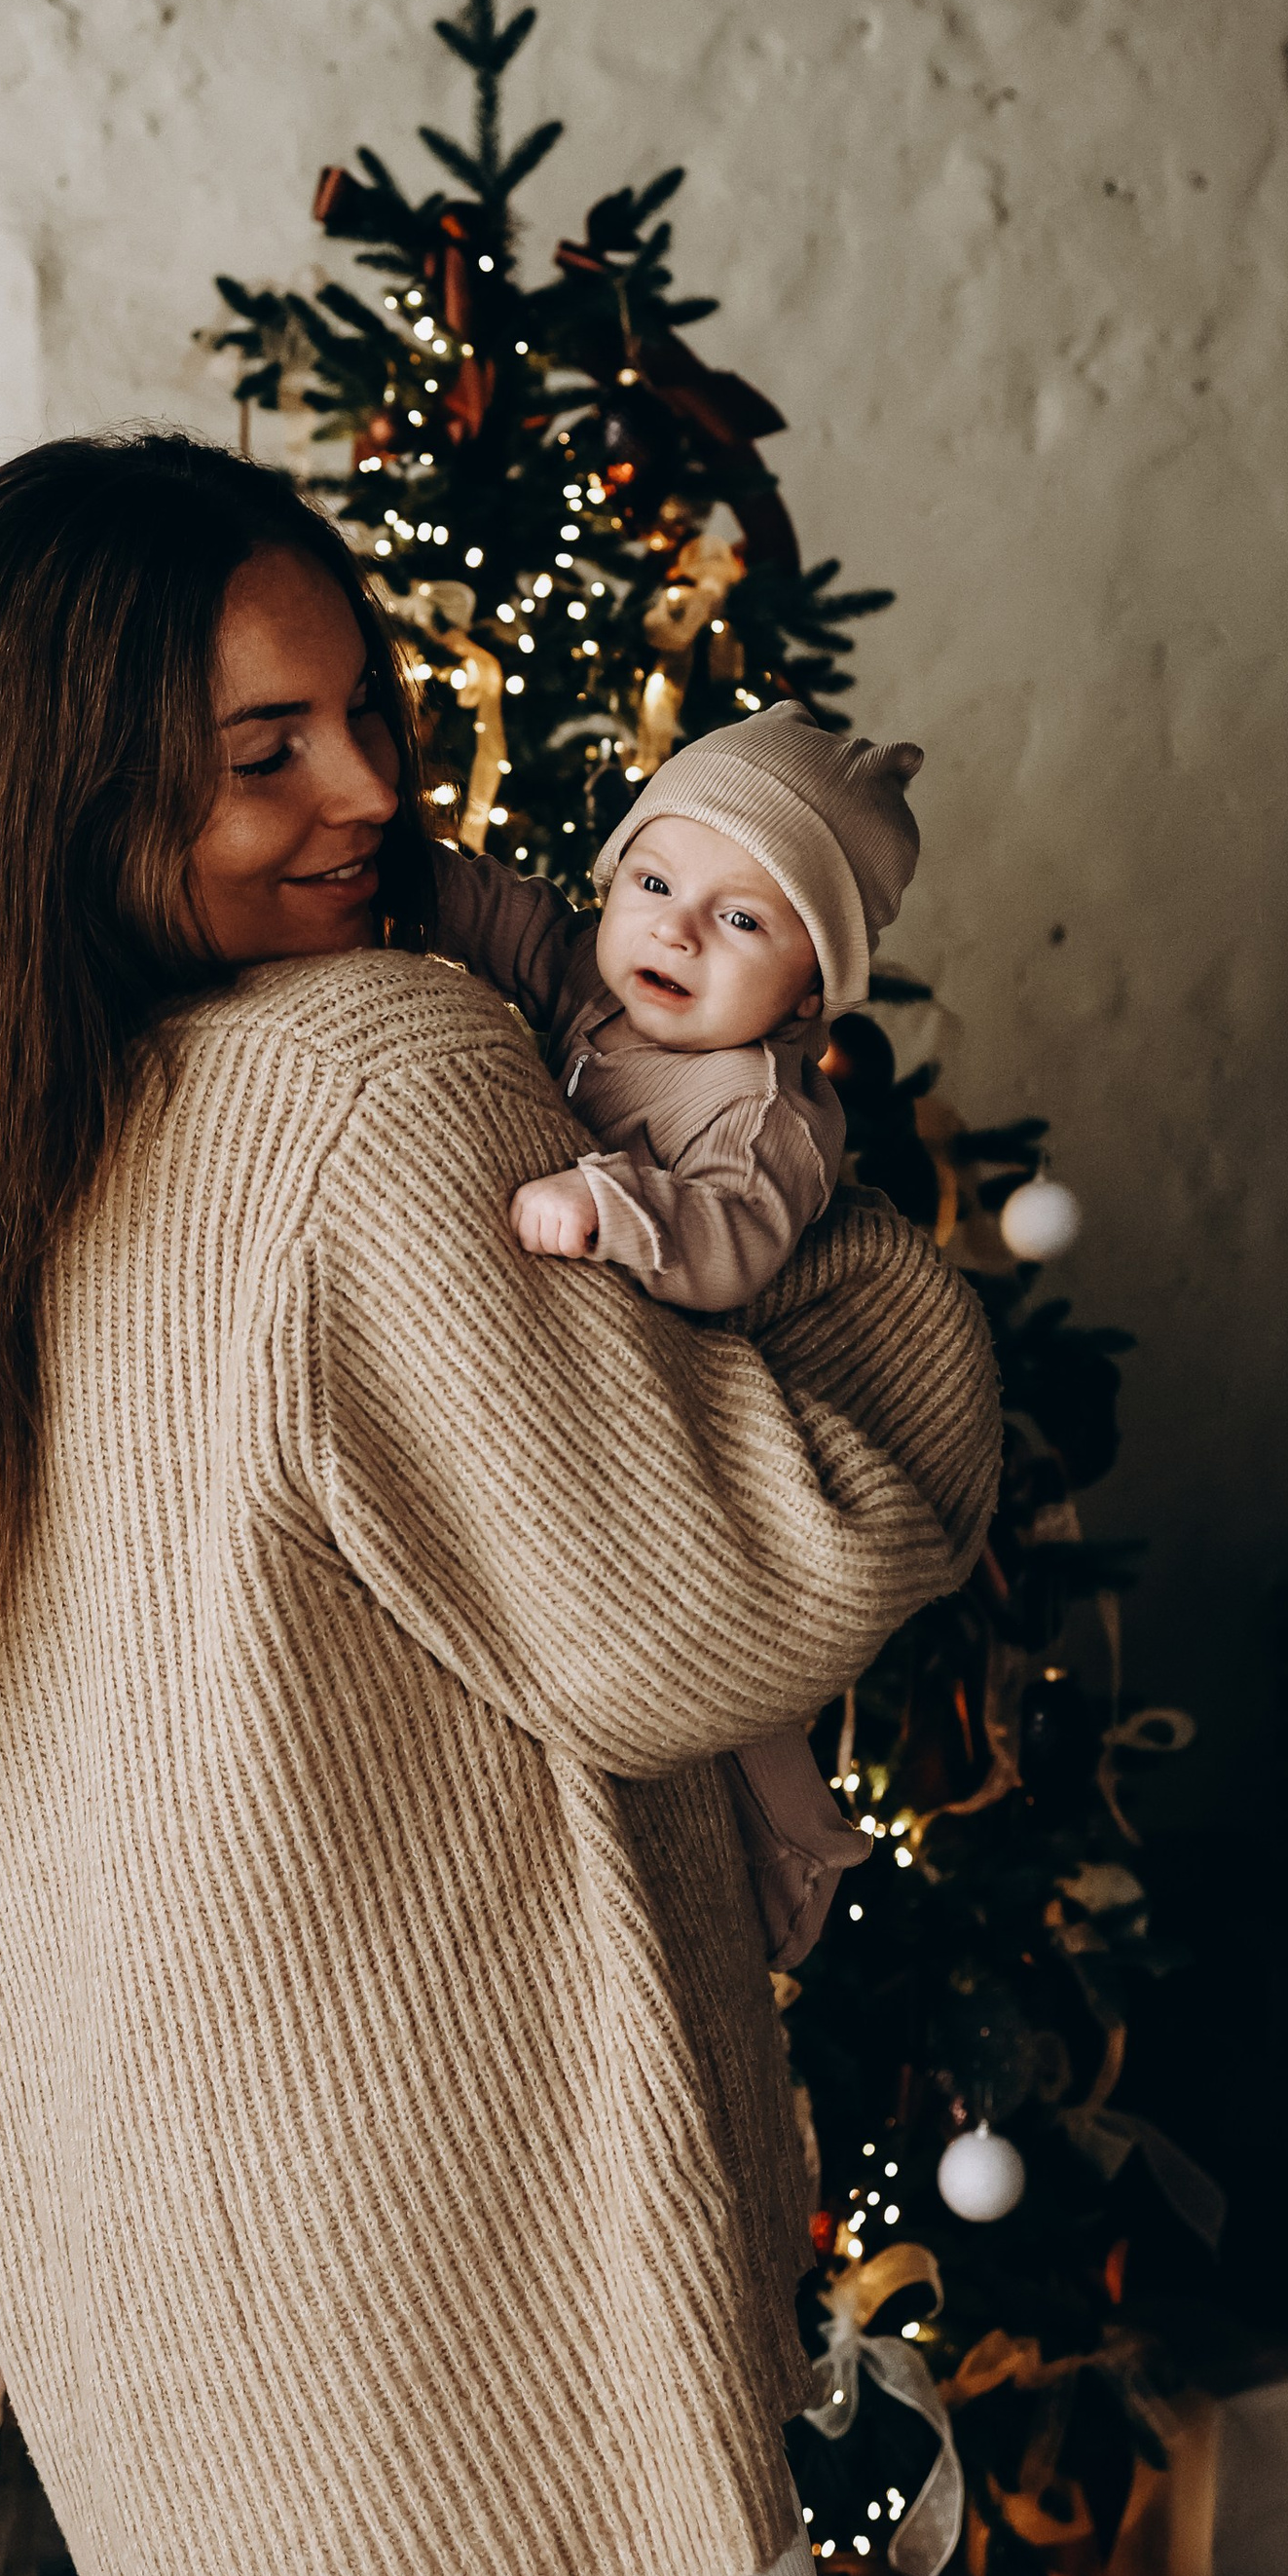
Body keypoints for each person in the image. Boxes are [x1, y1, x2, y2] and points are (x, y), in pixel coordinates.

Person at [0, 431, 1001, 2576]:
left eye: (362, 720)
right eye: (262, 754)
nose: (370, 797)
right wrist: (853, 1254)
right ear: (66, 796)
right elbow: (727, 1595)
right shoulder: (372, 1076)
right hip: (467, 2297)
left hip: (177, 2281)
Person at [433, 705, 929, 1968]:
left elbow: (731, 1244)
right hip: (579, 1368)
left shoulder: (765, 1108)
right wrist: (402, 870)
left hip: (693, 1391)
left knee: (721, 1662)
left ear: (810, 987)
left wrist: (611, 1206)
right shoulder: (598, 989)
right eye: (651, 880)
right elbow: (511, 921)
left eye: (744, 919)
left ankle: (794, 1836)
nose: (676, 928)